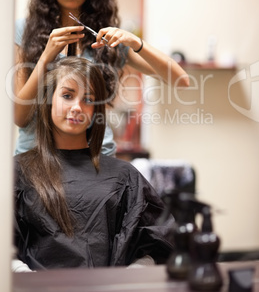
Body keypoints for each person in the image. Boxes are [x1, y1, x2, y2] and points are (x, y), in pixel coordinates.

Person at [14, 0, 189, 156]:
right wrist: (46, 57)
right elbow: (20, 117)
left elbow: (181, 81)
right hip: (36, 161)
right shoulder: (24, 31)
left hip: (95, 161)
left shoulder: (108, 41)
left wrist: (137, 43)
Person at [14, 57, 175, 270]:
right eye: (67, 96)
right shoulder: (18, 171)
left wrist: (130, 275)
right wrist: (26, 277)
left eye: (88, 100)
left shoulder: (123, 176)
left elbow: (162, 242)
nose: (77, 107)